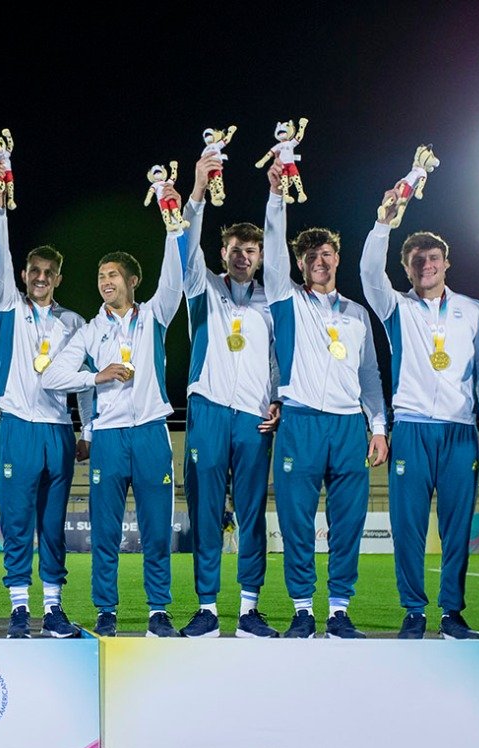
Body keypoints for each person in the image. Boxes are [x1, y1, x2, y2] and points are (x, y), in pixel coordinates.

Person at [41, 199, 187, 638]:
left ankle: (158, 611)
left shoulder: (155, 316)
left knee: (157, 530)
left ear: (132, 281)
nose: (105, 282)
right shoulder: (90, 329)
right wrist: (95, 376)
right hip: (106, 436)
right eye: (101, 276)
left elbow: (175, 277)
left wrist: (172, 225)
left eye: (112, 275)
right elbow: (52, 376)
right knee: (105, 533)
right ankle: (106, 609)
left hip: (150, 434)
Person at [363, 187, 479, 640]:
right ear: (406, 268)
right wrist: (384, 222)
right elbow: (366, 271)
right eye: (417, 260)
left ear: (446, 262)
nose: (426, 265)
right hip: (414, 428)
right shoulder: (395, 307)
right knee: (408, 528)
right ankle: (414, 612)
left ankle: (452, 615)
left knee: (456, 528)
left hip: (461, 433)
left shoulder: (473, 311)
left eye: (433, 257)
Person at [263, 162, 387, 639]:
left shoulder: (357, 314)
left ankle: (337, 610)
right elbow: (272, 255)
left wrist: (377, 427)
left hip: (346, 426)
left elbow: (371, 376)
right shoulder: (287, 300)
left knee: (348, 522)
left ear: (338, 258)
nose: (320, 259)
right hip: (300, 422)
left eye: (328, 252)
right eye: (311, 254)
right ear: (299, 263)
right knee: (296, 522)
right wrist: (277, 198)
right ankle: (301, 609)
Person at [178, 154, 282, 638]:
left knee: (251, 511)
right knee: (204, 511)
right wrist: (198, 189)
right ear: (223, 254)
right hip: (209, 409)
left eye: (251, 250)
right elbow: (185, 245)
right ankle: (205, 607)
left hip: (255, 417)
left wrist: (279, 397)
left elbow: (280, 358)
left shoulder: (272, 301)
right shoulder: (203, 289)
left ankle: (247, 608)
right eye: (235, 249)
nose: (243, 256)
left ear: (260, 257)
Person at [0, 182, 92, 639]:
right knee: (15, 521)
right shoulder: (8, 307)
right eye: (34, 270)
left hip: (58, 431)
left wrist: (86, 429)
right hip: (18, 427)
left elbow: (87, 383)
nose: (40, 277)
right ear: (24, 274)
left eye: (49, 272)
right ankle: (18, 607)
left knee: (53, 523)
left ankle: (52, 609)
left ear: (59, 278)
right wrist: (0, 207)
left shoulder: (75, 323)